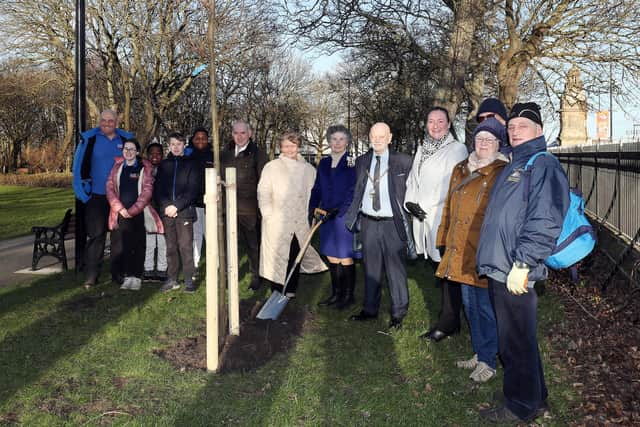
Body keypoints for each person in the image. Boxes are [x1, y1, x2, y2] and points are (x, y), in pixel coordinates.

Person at [477, 102, 569, 423]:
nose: (515, 131)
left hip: (515, 270)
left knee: (514, 343)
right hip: (502, 266)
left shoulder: (542, 164)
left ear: (539, 131)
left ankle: (519, 406)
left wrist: (523, 263)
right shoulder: (517, 163)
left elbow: (545, 220)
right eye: (512, 126)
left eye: (523, 127)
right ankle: (536, 398)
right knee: (521, 339)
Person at [435, 118, 508, 382]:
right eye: (480, 139)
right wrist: (443, 238)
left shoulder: (502, 172)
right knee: (470, 306)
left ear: (499, 143)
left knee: (486, 308)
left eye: (490, 140)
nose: (484, 144)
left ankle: (489, 360)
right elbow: (449, 207)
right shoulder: (460, 169)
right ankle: (480, 352)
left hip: (484, 251)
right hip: (459, 249)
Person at [404, 107, 468, 341]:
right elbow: (414, 179)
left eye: (440, 121)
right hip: (423, 216)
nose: (436, 125)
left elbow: (455, 185)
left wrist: (429, 205)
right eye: (431, 121)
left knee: (447, 272)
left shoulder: (457, 149)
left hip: (443, 217)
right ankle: (452, 320)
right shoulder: (423, 149)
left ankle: (447, 322)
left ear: (449, 124)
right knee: (437, 269)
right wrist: (410, 202)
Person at [344, 122, 414, 330]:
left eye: (382, 136)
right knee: (371, 268)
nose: (377, 140)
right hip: (368, 222)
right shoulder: (362, 161)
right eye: (374, 136)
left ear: (390, 138)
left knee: (395, 270)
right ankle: (370, 309)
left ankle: (398, 313)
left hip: (392, 223)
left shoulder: (403, 161)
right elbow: (357, 190)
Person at [257, 131, 326, 297]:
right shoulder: (272, 167)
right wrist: (268, 214)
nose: (289, 149)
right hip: (277, 220)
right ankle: (276, 289)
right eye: (286, 145)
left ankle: (290, 289)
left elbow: (315, 193)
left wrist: (313, 213)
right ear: (281, 147)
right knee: (277, 255)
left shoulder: (308, 169)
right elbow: (263, 191)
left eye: (293, 145)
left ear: (298, 146)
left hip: (300, 219)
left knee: (295, 253)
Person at [73, 109, 134, 288]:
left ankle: (117, 275)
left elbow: (134, 165)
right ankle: (91, 276)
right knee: (96, 236)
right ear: (98, 121)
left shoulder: (125, 140)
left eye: (111, 121)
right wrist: (83, 194)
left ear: (116, 122)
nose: (107, 123)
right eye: (104, 120)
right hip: (97, 196)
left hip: (120, 198)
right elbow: (77, 167)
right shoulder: (89, 140)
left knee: (119, 237)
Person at [309, 125, 361, 309]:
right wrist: (313, 207)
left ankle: (348, 296)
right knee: (331, 255)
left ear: (347, 142)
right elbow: (317, 188)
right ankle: (336, 294)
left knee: (345, 256)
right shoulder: (323, 163)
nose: (337, 143)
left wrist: (340, 210)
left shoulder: (352, 163)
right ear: (329, 142)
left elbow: (353, 190)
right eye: (333, 139)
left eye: (341, 139)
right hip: (325, 215)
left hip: (342, 216)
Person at [105, 138, 163, 290]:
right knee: (122, 245)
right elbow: (110, 188)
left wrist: (133, 210)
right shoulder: (117, 167)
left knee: (138, 245)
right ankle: (125, 275)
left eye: (132, 149)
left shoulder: (145, 168)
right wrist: (120, 209)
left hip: (138, 213)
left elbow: (147, 191)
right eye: (126, 149)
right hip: (120, 214)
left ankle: (136, 276)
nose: (128, 152)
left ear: (137, 152)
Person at [221, 119, 268, 290]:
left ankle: (257, 276)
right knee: (226, 244)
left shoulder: (258, 153)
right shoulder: (224, 153)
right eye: (236, 133)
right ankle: (227, 275)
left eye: (243, 133)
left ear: (250, 133)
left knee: (253, 245)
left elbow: (264, 182)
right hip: (228, 208)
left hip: (249, 209)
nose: (239, 136)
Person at [154, 132, 202, 293]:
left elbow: (193, 189)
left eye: (179, 144)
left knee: (185, 246)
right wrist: (167, 206)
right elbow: (158, 189)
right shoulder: (164, 165)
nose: (175, 147)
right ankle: (172, 279)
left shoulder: (192, 164)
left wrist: (177, 206)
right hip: (167, 212)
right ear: (169, 145)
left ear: (184, 145)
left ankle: (189, 279)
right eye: (173, 144)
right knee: (170, 247)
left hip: (184, 212)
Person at [189, 127, 213, 269]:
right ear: (193, 140)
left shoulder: (213, 155)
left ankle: (213, 264)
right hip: (193, 203)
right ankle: (194, 264)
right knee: (195, 236)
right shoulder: (188, 156)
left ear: (207, 139)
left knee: (210, 235)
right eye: (197, 138)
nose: (200, 140)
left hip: (209, 203)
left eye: (203, 138)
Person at [143, 142, 168, 281]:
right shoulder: (144, 170)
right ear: (147, 155)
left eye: (158, 153)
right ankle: (148, 269)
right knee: (150, 241)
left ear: (162, 155)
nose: (155, 156)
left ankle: (162, 269)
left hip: (163, 208)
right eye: (152, 153)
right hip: (148, 208)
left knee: (163, 241)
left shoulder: (166, 169)